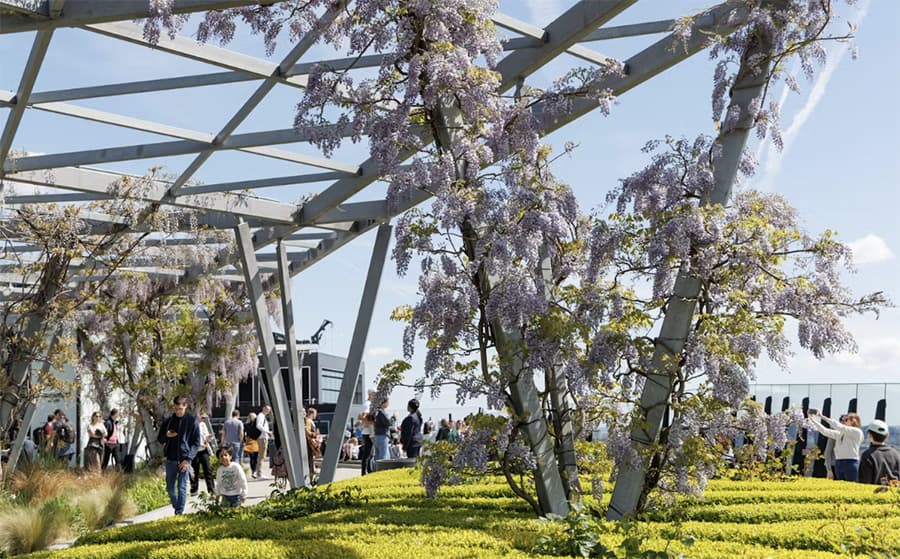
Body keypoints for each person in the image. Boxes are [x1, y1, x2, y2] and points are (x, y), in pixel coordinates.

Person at [156, 395, 201, 515]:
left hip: (184, 459)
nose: (177, 411)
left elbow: (196, 443)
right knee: (170, 488)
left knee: (182, 487)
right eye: (175, 409)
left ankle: (179, 512)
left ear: (185, 406)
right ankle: (177, 506)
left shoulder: (192, 421)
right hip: (171, 458)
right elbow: (160, 439)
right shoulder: (169, 420)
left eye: (180, 409)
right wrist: (167, 436)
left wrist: (188, 459)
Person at [809, 411, 864, 482]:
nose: (843, 421)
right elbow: (825, 431)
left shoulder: (857, 432)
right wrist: (813, 420)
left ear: (853, 421)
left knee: (851, 485)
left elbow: (839, 427)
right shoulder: (840, 433)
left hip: (850, 462)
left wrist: (822, 417)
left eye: (846, 419)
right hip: (839, 463)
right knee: (840, 486)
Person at [859, 419, 900, 485]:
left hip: (875, 491)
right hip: (894, 491)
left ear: (870, 435)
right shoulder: (896, 454)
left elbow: (864, 482)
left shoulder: (867, 455)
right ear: (887, 435)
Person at [190, 413, 216, 496]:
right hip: (195, 451)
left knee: (207, 469)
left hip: (204, 450)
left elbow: (206, 437)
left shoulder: (203, 425)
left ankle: (211, 489)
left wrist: (209, 437)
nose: (203, 419)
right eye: (202, 417)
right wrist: (199, 444)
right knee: (195, 471)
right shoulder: (191, 425)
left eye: (204, 418)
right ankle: (194, 489)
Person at [254, 405, 272, 479]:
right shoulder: (261, 416)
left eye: (269, 410)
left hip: (263, 437)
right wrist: (267, 431)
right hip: (262, 438)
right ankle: (259, 473)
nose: (268, 411)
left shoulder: (262, 416)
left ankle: (258, 472)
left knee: (262, 456)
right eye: (267, 409)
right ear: (263, 408)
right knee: (262, 456)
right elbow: (259, 425)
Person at [305, 407, 320, 478]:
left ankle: (312, 470)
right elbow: (307, 431)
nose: (316, 415)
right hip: (310, 442)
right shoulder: (308, 421)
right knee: (310, 457)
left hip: (311, 441)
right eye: (315, 414)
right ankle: (311, 472)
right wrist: (315, 434)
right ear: (312, 414)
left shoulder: (309, 421)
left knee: (311, 457)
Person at [357, 411, 374, 475]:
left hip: (367, 436)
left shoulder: (365, 421)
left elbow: (360, 427)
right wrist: (362, 420)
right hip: (367, 436)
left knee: (369, 454)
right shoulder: (364, 422)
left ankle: (368, 469)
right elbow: (360, 427)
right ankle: (364, 471)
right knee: (367, 454)